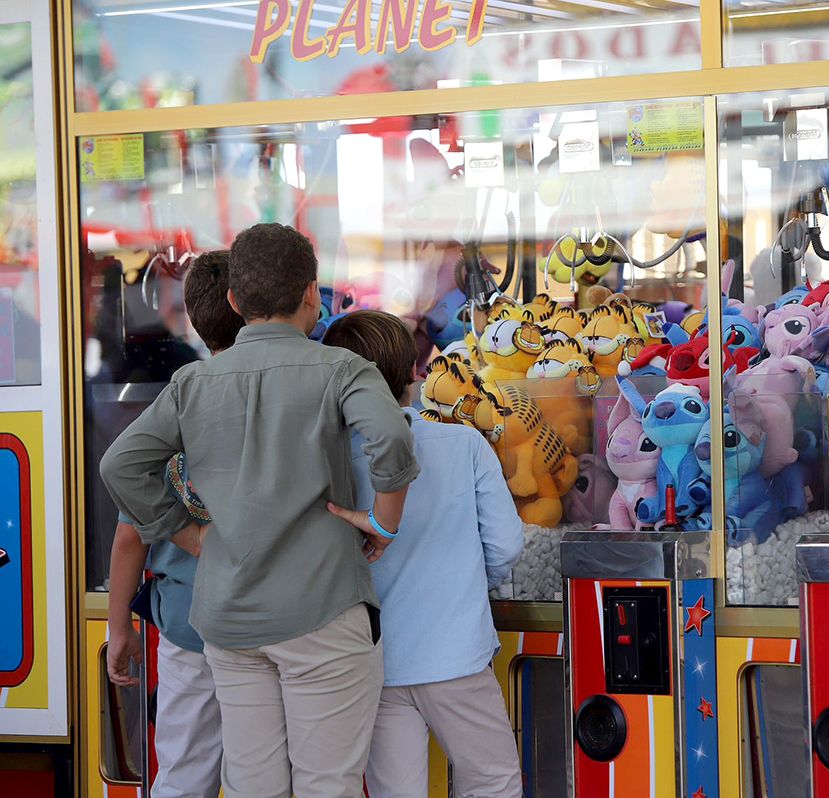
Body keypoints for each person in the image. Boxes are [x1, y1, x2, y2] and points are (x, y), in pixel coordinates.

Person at [100, 224, 419, 798]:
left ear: (232, 301)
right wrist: (384, 522)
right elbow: (391, 438)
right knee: (327, 784)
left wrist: (186, 532)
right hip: (323, 609)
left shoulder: (191, 383)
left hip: (230, 622)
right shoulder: (342, 370)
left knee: (253, 787)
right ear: (312, 295)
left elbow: (121, 465)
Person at [323, 310, 524, 798]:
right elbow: (507, 544)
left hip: (376, 663)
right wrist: (470, 581)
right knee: (493, 783)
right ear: (413, 373)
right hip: (458, 654)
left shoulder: (329, 463)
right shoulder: (463, 443)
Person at [106, 250, 241, 798]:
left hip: (188, 626)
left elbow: (129, 535)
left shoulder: (175, 403)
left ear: (193, 316)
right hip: (282, 622)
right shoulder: (296, 391)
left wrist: (119, 630)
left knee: (184, 772)